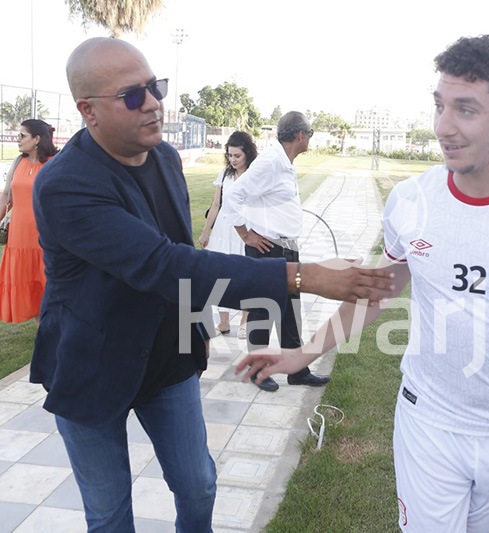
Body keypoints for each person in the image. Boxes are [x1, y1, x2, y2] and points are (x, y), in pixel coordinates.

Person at [237, 34, 489, 532]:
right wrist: (302, 354)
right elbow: (378, 291)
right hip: (427, 418)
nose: (443, 127)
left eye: (465, 109)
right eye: (439, 106)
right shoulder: (412, 201)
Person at [30, 37, 393, 533]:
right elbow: (167, 265)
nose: (155, 103)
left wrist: (195, 329)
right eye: (133, 96)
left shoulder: (162, 158)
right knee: (110, 513)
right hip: (90, 361)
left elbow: (187, 254)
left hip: (167, 355)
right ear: (88, 111)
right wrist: (305, 276)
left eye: (155, 87)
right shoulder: (66, 185)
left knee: (198, 484)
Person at [225, 111, 329, 392]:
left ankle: (297, 371)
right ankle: (258, 371)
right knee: (262, 311)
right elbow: (233, 195)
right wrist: (246, 234)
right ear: (300, 135)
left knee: (290, 312)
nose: (310, 138)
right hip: (267, 252)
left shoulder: (285, 163)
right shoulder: (270, 162)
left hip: (286, 250)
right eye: (310, 133)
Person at [0, 119, 59, 323]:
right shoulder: (18, 162)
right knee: (31, 291)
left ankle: (48, 335)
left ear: (37, 139)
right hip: (18, 240)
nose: (18, 139)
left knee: (48, 290)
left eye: (22, 135)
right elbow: (7, 195)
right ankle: (43, 334)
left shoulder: (54, 164)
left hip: (45, 240)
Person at [199, 131, 256, 338]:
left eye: (237, 156)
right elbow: (216, 205)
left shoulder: (254, 174)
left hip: (245, 228)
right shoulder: (224, 174)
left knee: (244, 275)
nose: (233, 160)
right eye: (230, 155)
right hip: (223, 228)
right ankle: (223, 322)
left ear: (247, 154)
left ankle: (244, 321)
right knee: (220, 275)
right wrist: (206, 232)